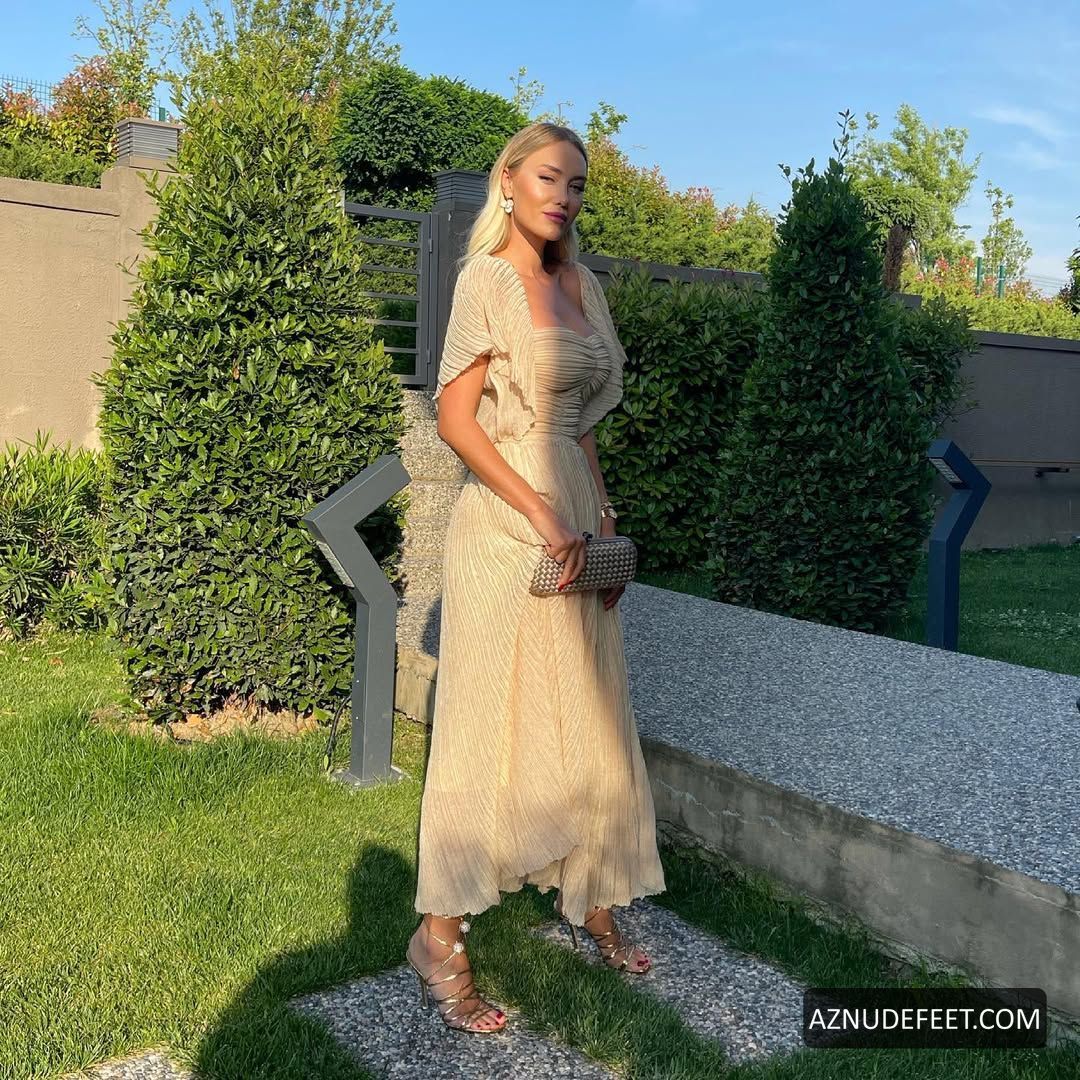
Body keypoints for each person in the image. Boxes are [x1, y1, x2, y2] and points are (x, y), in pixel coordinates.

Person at [405, 122, 667, 1034]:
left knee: (588, 715)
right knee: (488, 730)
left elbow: (580, 421)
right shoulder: (485, 280)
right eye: (550, 177)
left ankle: (593, 894)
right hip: (505, 524)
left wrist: (601, 515)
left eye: (578, 185)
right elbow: (454, 420)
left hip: (574, 520)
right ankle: (440, 936)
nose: (564, 196)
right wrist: (543, 514)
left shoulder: (584, 286)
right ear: (509, 182)